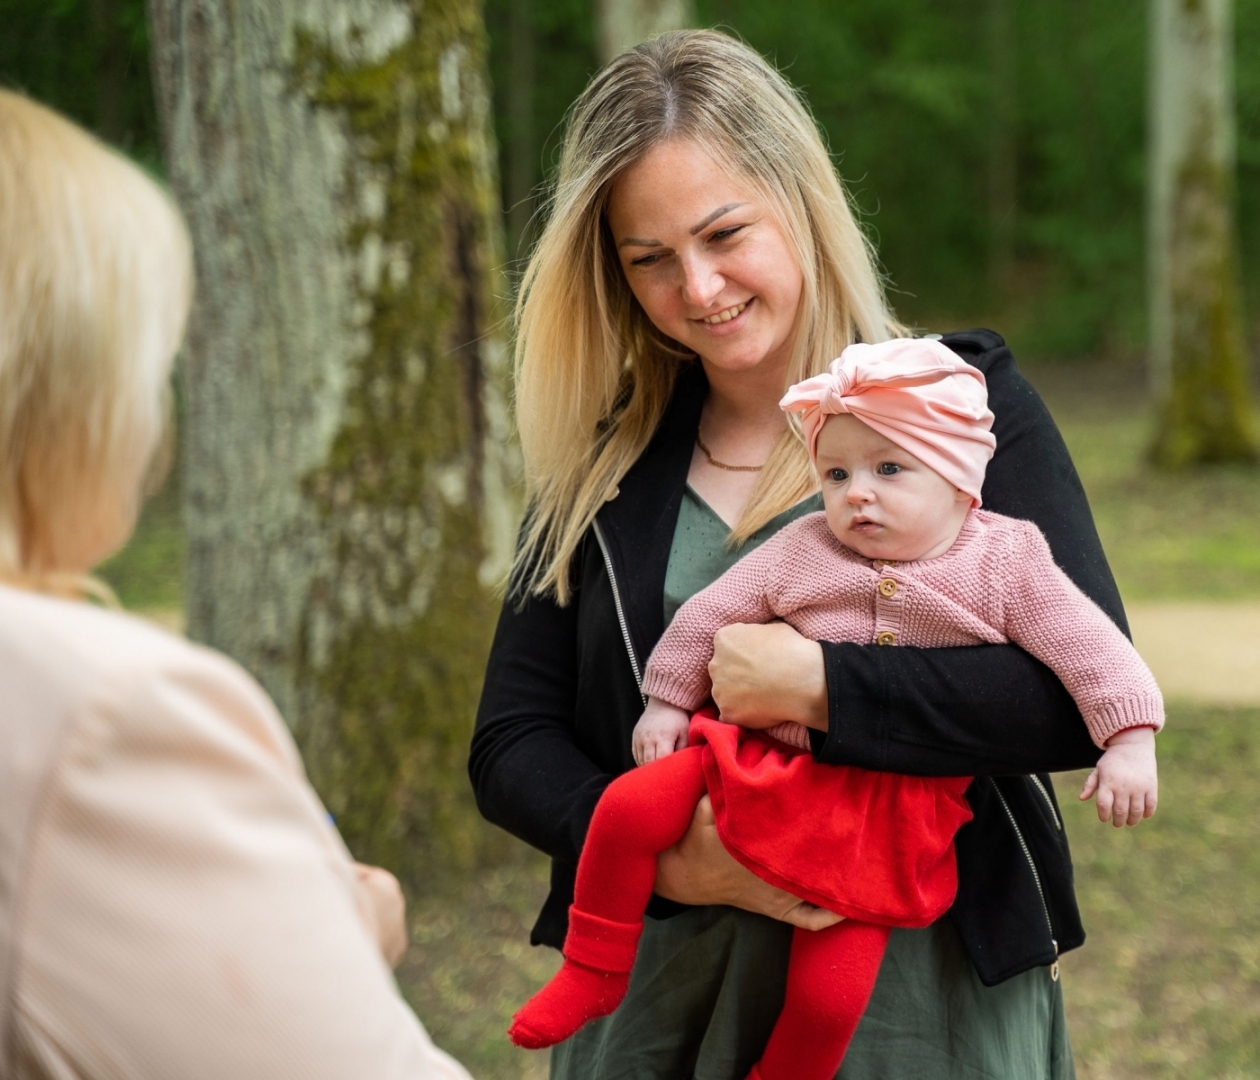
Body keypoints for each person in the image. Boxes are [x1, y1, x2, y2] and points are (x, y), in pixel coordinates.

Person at [471, 29, 1129, 1079]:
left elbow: (1070, 702)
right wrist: (677, 864)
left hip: (925, 1004)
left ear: (801, 200)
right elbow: (510, 744)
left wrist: (826, 685)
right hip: (660, 1000)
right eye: (649, 260)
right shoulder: (602, 465)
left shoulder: (963, 407)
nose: (698, 288)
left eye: (725, 233)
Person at [506, 339, 1162, 1079]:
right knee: (626, 811)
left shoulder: (1007, 561)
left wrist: (1130, 740)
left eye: (889, 470)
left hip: (887, 811)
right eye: (837, 473)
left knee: (830, 994)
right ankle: (594, 967)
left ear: (959, 481)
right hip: (752, 763)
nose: (857, 493)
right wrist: (665, 701)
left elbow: (1091, 650)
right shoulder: (805, 546)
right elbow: (708, 615)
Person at [0, 89, 470, 1079]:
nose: (155, 429)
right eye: (146, 365)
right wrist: (334, 953)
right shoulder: (105, 712)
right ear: (55, 384)